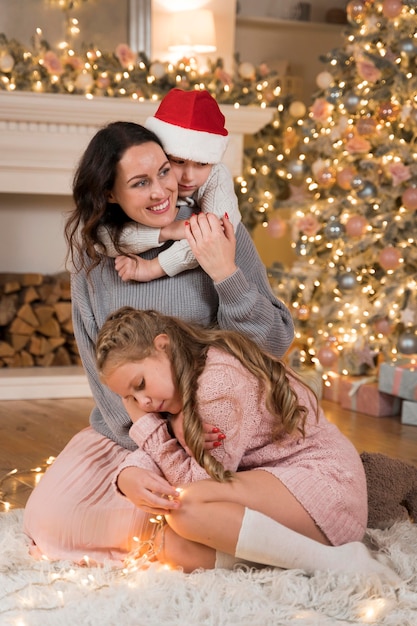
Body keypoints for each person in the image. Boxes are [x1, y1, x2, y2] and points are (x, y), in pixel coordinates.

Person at [23, 120, 294, 564]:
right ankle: (205, 548)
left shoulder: (217, 230)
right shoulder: (93, 260)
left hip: (215, 432)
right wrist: (143, 455)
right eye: (140, 182)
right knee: (49, 520)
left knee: (185, 507)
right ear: (110, 193)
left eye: (165, 172)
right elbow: (102, 374)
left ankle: (203, 542)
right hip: (131, 432)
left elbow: (272, 344)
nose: (161, 191)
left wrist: (225, 273)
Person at [95, 306, 398, 582]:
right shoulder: (172, 387)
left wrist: (147, 427)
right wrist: (129, 473)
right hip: (273, 489)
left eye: (140, 385)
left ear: (164, 346)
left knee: (185, 507)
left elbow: (191, 483)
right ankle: (298, 559)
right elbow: (164, 448)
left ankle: (339, 563)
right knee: (174, 548)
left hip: (325, 489)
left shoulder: (219, 382)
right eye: (130, 399)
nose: (143, 402)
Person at [96, 88, 241, 283]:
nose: (189, 177)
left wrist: (155, 267)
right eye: (178, 162)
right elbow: (102, 240)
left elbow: (216, 237)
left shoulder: (217, 174)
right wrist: (170, 230)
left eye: (202, 164)